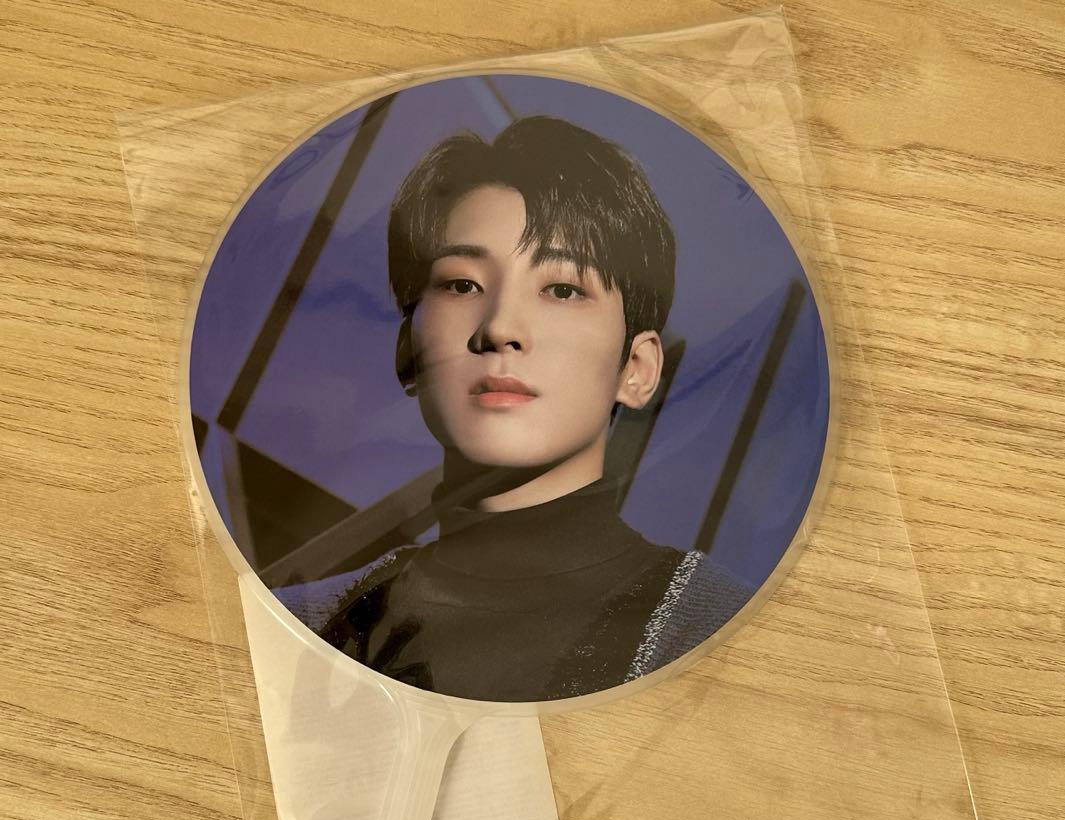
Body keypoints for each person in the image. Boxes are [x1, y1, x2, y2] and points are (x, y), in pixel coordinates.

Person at [280, 115, 751, 702]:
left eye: (563, 290)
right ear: (407, 350)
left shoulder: (735, 639)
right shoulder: (289, 628)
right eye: (462, 285)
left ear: (637, 368)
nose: (500, 327)